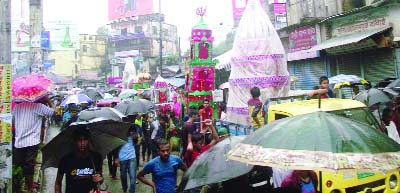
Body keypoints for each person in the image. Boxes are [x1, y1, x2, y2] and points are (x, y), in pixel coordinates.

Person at [13, 96, 54, 193]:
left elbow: (13, 119)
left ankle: (21, 186)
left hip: (18, 141)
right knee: (30, 166)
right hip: (32, 141)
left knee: (20, 165)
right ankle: (30, 187)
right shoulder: (38, 106)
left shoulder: (17, 107)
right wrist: (49, 101)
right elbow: (53, 112)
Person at [55, 127, 104, 193]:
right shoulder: (66, 160)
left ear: (89, 140)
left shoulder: (96, 157)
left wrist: (99, 180)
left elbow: (100, 179)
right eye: (79, 140)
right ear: (75, 141)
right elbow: (58, 182)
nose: (82, 143)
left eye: (85, 140)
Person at [115, 124, 139, 193]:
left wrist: (134, 135)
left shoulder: (132, 126)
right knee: (123, 175)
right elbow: (115, 145)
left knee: (133, 176)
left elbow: (136, 141)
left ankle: (132, 191)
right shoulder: (118, 128)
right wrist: (116, 158)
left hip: (132, 156)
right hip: (122, 157)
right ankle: (124, 189)